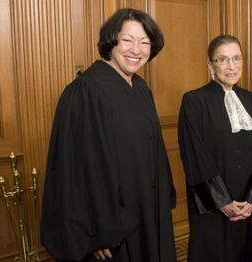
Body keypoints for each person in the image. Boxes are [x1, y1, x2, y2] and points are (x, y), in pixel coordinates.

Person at [41, 8, 177, 262]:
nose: (136, 50)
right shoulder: (86, 91)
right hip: (113, 224)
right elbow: (77, 168)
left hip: (146, 208)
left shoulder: (140, 88)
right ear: (111, 41)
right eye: (127, 40)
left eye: (144, 42)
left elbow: (153, 149)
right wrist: (94, 231)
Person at [178, 34, 252, 262]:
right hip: (213, 206)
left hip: (248, 204)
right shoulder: (194, 102)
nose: (231, 66)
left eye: (236, 59)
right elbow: (195, 155)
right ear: (210, 64)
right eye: (222, 60)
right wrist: (221, 200)